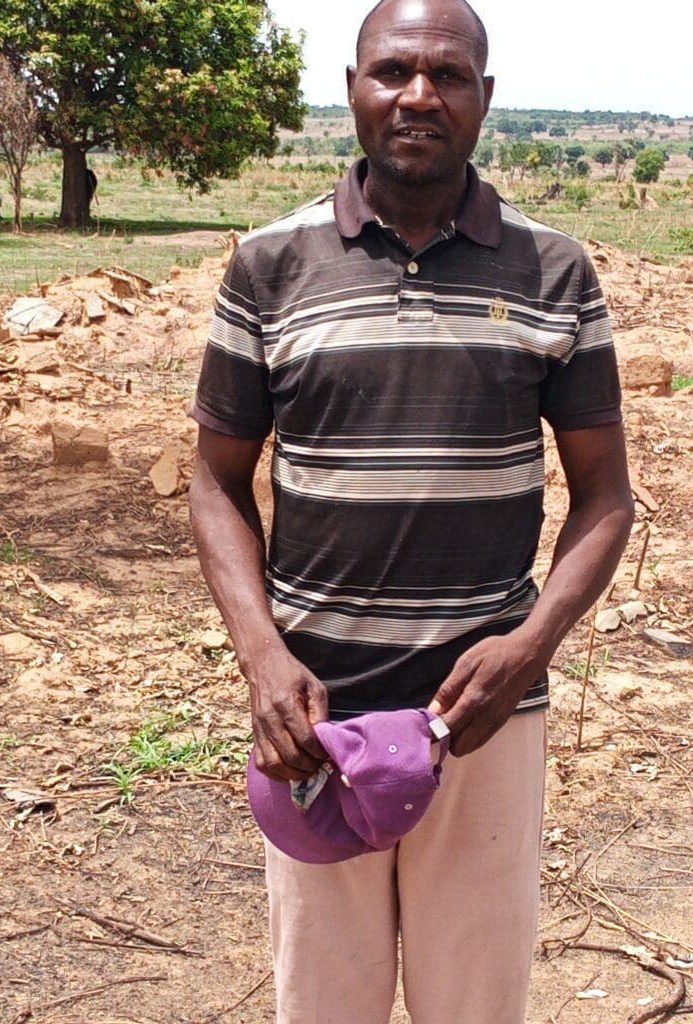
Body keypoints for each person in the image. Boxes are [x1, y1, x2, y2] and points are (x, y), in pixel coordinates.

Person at [188, 0, 634, 1020]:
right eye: (393, 70)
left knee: (474, 1003)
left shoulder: (554, 271)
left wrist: (528, 647)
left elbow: (606, 497)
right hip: (314, 720)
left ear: (486, 98)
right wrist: (262, 658)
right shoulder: (271, 264)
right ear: (353, 89)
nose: (419, 95)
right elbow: (215, 481)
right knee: (324, 1000)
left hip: (483, 725)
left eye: (450, 74)